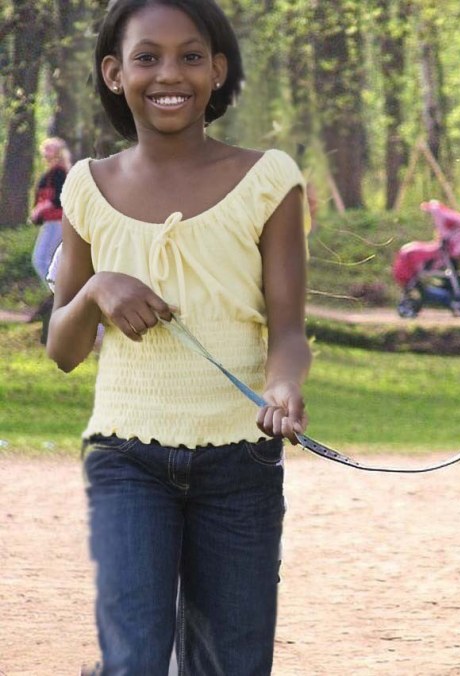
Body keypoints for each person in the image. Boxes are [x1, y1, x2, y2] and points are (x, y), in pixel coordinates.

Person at [46, 0, 311, 673]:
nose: (171, 73)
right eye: (147, 56)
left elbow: (287, 329)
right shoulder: (86, 186)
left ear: (217, 70)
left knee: (233, 663)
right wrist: (98, 289)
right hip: (126, 458)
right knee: (135, 657)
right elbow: (63, 350)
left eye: (191, 56)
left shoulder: (269, 179)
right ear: (114, 72)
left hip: (241, 463)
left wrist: (283, 386)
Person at [30, 137, 71, 284]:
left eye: (50, 148)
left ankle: (58, 292)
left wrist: (41, 208)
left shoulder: (59, 172)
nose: (45, 152)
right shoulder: (49, 173)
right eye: (45, 148)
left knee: (40, 259)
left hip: (57, 221)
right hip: (50, 222)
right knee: (52, 261)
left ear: (58, 152)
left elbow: (59, 197)